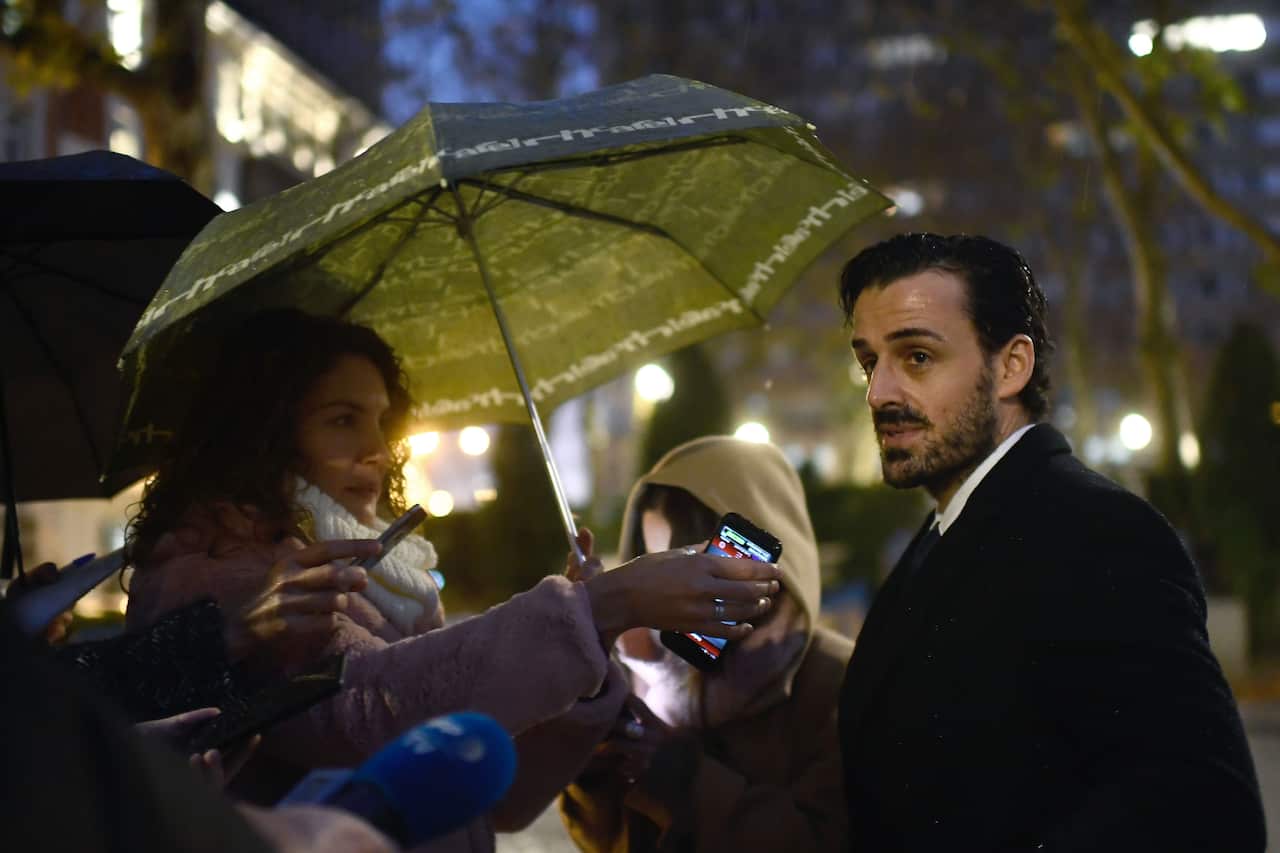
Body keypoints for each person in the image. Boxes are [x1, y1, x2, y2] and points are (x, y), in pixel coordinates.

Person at [123, 309, 780, 849]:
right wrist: (601, 605)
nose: (378, 450)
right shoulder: (227, 582)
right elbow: (368, 709)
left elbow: (499, 793)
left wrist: (587, 651)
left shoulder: (390, 589)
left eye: (383, 421)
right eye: (343, 419)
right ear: (263, 434)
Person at [834, 233, 1265, 851]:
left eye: (918, 357)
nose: (879, 393)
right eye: (869, 362)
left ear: (1011, 366)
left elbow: (1201, 812)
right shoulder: (949, 528)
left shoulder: (1098, 533)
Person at [559, 436, 853, 853]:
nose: (677, 594)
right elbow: (609, 841)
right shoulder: (648, 678)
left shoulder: (839, 683)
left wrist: (678, 776)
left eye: (696, 563)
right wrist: (592, 768)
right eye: (659, 563)